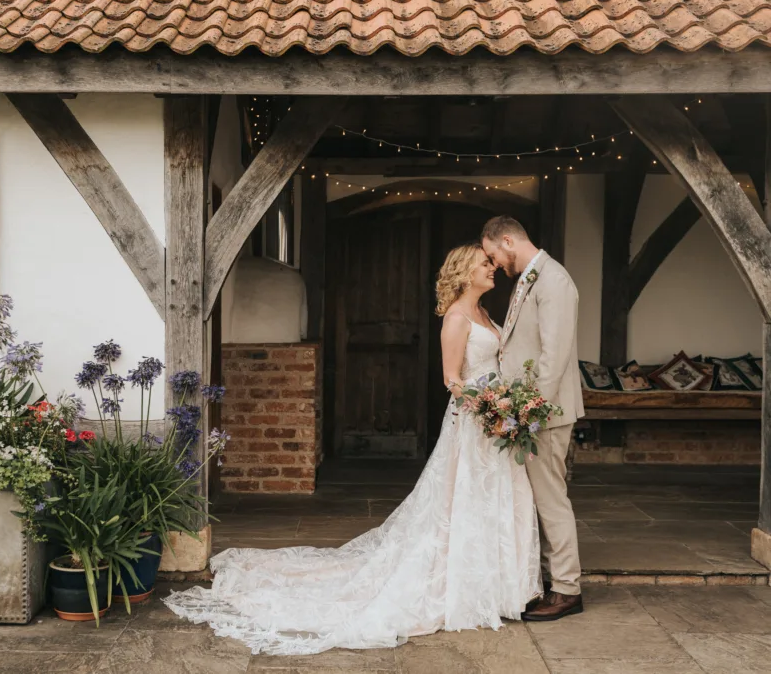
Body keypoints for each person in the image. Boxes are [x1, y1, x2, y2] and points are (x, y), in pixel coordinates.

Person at [163, 243, 543, 655]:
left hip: (494, 425)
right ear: (464, 271)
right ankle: (465, 588)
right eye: (485, 263)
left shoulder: (486, 313)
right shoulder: (456, 318)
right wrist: (489, 407)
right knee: (463, 501)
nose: (493, 268)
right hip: (474, 423)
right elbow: (452, 379)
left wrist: (508, 404)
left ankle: (498, 587)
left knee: (493, 500)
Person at [481, 214, 586, 622]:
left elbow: (554, 356)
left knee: (550, 500)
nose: (495, 265)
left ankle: (566, 590)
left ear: (508, 241)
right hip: (532, 411)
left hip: (544, 413)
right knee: (538, 500)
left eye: (493, 255)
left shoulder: (554, 280)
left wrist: (528, 412)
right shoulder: (530, 276)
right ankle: (547, 580)